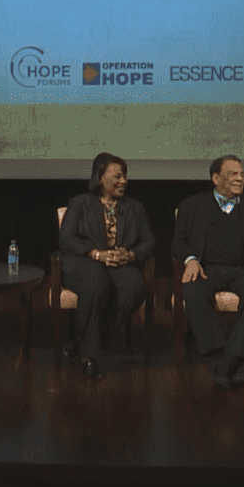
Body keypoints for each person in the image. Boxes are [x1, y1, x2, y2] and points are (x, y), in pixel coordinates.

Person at [172, 155, 244, 390]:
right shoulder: (192, 206)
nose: (240, 178)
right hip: (207, 269)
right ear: (216, 178)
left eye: (241, 173)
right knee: (192, 290)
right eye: (233, 174)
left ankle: (227, 361)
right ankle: (223, 355)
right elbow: (178, 242)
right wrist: (190, 260)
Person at [58, 153, 155, 379]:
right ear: (100, 178)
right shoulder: (80, 203)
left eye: (125, 176)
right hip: (85, 262)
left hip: (120, 264)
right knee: (95, 284)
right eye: (117, 176)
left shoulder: (135, 208)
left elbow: (149, 241)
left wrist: (130, 255)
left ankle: (80, 343)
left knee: (134, 287)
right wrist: (96, 254)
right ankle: (89, 357)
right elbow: (66, 238)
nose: (124, 181)